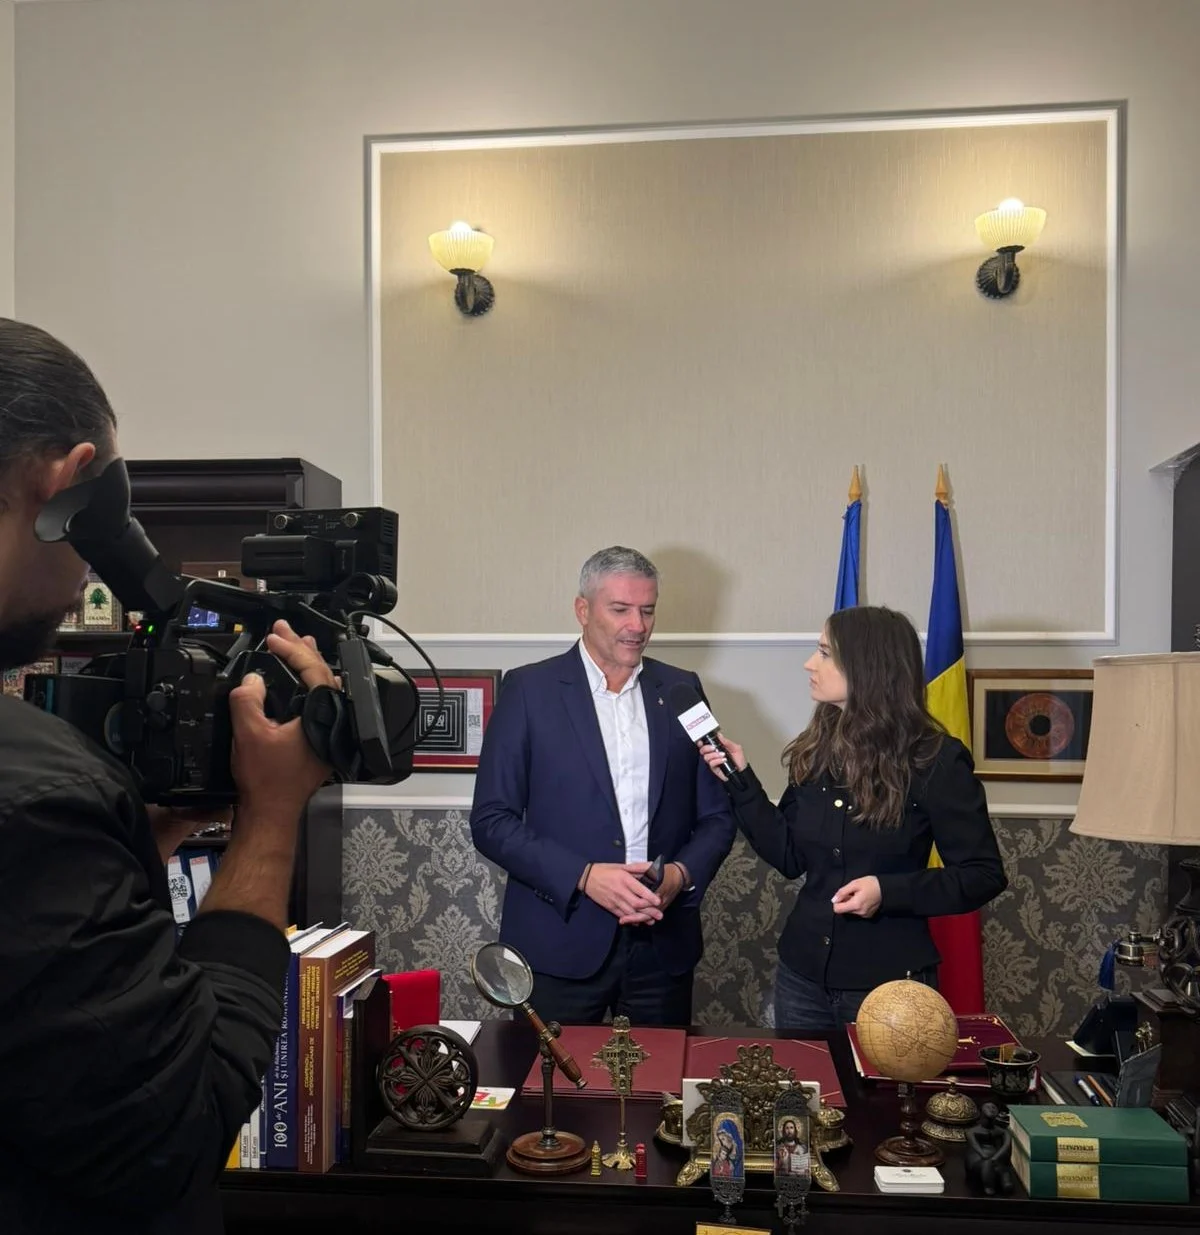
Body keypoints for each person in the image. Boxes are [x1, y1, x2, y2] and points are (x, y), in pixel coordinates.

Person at [0, 318, 337, 1234]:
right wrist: (270, 819)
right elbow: (174, 1129)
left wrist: (127, 850)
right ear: (70, 482)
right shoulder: (38, 797)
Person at [698, 605, 1006, 1033]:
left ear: (867, 667)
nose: (810, 663)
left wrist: (887, 891)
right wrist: (741, 781)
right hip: (801, 979)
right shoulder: (815, 750)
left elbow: (983, 875)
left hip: (891, 989)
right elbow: (788, 857)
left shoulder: (936, 760)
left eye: (825, 653)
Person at [470, 546, 736, 1026]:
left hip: (662, 946)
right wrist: (585, 875)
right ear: (583, 609)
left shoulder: (683, 689)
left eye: (647, 610)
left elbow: (717, 815)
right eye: (620, 609)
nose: (637, 625)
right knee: (550, 1077)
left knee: (661, 1077)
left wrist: (680, 875)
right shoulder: (528, 691)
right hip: (559, 942)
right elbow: (492, 821)